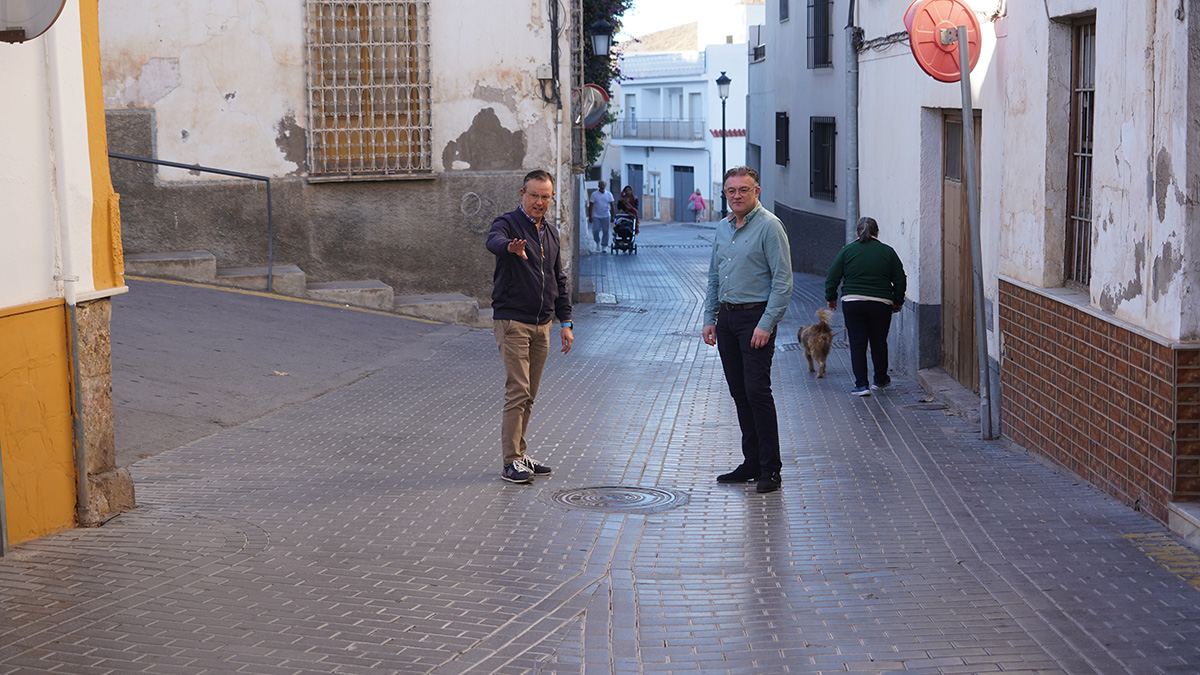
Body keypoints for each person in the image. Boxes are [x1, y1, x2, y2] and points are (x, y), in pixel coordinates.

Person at [701, 166, 793, 494]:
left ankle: (771, 469)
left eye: (743, 190)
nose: (737, 196)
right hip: (727, 320)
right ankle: (751, 462)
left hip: (755, 318)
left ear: (757, 192)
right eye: (731, 191)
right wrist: (710, 318)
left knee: (757, 393)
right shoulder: (723, 229)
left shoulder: (770, 226)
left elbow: (783, 282)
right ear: (725, 194)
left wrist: (766, 325)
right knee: (740, 394)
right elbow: (714, 277)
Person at [485, 170, 574, 483]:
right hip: (513, 322)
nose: (539, 202)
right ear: (522, 193)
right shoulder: (507, 223)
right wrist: (510, 247)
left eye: (545, 196)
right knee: (518, 390)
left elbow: (558, 279)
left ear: (551, 198)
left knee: (530, 394)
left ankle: (521, 455)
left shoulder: (550, 232)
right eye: (534, 195)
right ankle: (511, 461)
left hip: (543, 325)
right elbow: (493, 241)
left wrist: (566, 322)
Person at [824, 216, 907, 397]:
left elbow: (832, 276)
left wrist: (831, 298)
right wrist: (898, 301)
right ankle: (881, 379)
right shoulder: (888, 252)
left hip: (853, 303)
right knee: (878, 342)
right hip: (881, 304)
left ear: (856, 232)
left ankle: (862, 385)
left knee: (857, 343)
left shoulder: (847, 251)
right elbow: (900, 278)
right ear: (877, 232)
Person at [587, 181, 615, 251]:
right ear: (598, 186)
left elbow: (612, 206)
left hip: (606, 215)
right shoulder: (594, 194)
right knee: (595, 230)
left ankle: (604, 246)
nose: (602, 186)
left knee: (606, 231)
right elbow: (591, 206)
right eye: (601, 185)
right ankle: (597, 242)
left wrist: (612, 216)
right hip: (596, 216)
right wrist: (590, 216)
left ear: (605, 186)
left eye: (603, 185)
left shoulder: (609, 194)